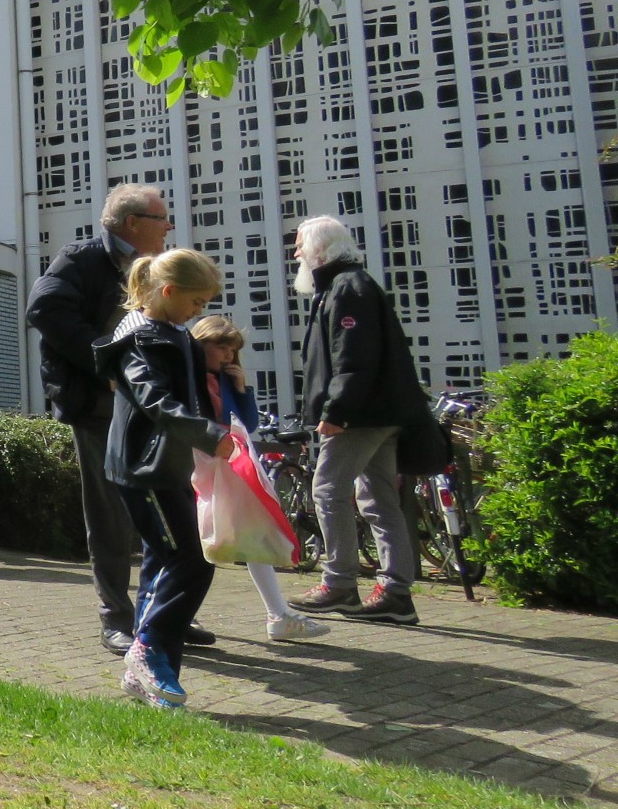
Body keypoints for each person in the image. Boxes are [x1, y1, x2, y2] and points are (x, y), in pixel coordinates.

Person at [27, 183, 219, 655]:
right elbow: (43, 309)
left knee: (166, 514)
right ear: (133, 223)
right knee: (110, 516)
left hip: (152, 411)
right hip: (98, 408)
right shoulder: (80, 259)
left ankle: (163, 613)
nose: (170, 227)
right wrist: (108, 363)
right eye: (162, 218)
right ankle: (116, 618)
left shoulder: (161, 269)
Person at [93, 249, 235, 710]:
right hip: (145, 469)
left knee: (164, 561)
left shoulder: (178, 336)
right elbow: (153, 398)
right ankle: (148, 650)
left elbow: (193, 397)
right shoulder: (140, 341)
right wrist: (207, 434)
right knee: (191, 560)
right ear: (169, 292)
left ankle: (154, 673)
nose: (200, 312)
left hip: (171, 466)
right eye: (196, 303)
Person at [287, 216, 427, 626]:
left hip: (360, 415)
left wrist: (337, 411)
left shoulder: (346, 288)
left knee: (328, 490)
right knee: (379, 500)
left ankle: (339, 584)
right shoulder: (351, 285)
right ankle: (396, 595)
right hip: (381, 412)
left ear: (319, 249)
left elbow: (353, 357)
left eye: (299, 245)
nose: (295, 253)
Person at [190, 316, 327, 644]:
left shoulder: (223, 379)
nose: (227, 355)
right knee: (197, 538)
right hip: (200, 463)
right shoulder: (187, 378)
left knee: (250, 530)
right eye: (221, 347)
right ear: (202, 343)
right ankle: (181, 615)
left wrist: (241, 388)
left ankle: (277, 613)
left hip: (228, 463)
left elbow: (247, 422)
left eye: (232, 350)